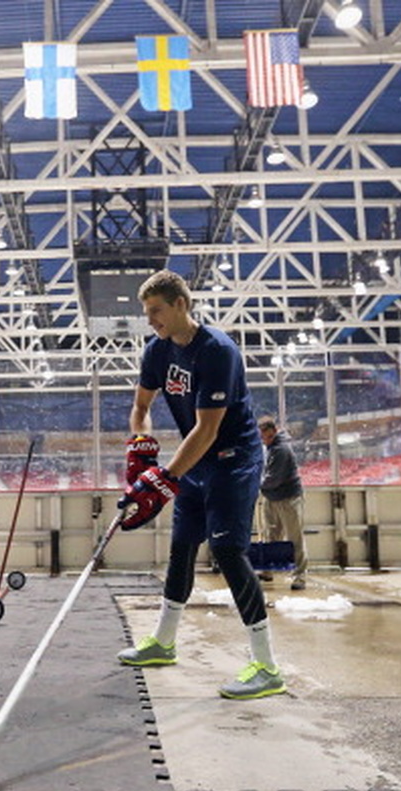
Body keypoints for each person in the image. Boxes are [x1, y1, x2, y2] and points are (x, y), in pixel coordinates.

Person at [116, 270, 286, 700]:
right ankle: (163, 643)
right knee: (182, 546)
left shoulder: (218, 351)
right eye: (147, 312)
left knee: (228, 550)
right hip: (195, 461)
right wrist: (141, 442)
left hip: (233, 459)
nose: (150, 319)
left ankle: (267, 667)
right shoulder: (156, 351)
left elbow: (208, 430)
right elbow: (141, 405)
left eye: (156, 310)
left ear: (180, 305)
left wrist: (165, 477)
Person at [258, 416, 307, 591]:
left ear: (275, 432)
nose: (266, 440)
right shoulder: (267, 448)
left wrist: (253, 483)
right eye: (264, 437)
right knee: (270, 536)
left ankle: (299, 576)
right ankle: (268, 570)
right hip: (272, 497)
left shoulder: (281, 450)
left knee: (294, 539)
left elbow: (273, 479)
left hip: (288, 498)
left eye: (269, 436)